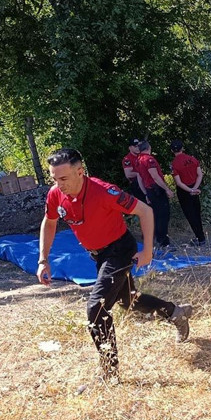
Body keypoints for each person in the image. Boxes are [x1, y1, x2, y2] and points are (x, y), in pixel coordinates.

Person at [36, 148, 192, 381]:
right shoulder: (55, 194)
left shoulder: (104, 191)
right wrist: (43, 259)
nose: (59, 184)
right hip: (98, 255)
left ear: (80, 172)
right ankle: (175, 312)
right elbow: (49, 223)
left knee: (96, 309)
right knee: (129, 301)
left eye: (64, 178)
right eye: (54, 179)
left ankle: (110, 373)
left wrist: (147, 250)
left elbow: (145, 211)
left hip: (119, 250)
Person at [135, 140, 173, 248]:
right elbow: (155, 177)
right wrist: (167, 189)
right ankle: (163, 242)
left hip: (149, 190)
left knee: (156, 215)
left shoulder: (138, 160)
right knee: (163, 215)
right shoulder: (149, 159)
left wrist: (145, 193)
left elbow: (139, 179)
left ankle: (157, 238)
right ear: (148, 148)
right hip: (157, 190)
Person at [170, 139, 206, 245]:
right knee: (196, 213)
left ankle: (200, 238)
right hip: (194, 188)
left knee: (190, 215)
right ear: (182, 148)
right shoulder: (192, 159)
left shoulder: (174, 164)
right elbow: (200, 174)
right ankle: (200, 235)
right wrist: (195, 188)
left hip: (184, 191)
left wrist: (190, 190)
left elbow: (179, 182)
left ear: (172, 150)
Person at [121, 137, 146, 202]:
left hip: (146, 182)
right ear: (130, 148)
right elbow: (128, 174)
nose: (137, 148)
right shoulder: (127, 159)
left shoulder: (142, 156)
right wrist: (142, 172)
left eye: (138, 146)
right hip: (137, 185)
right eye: (135, 146)